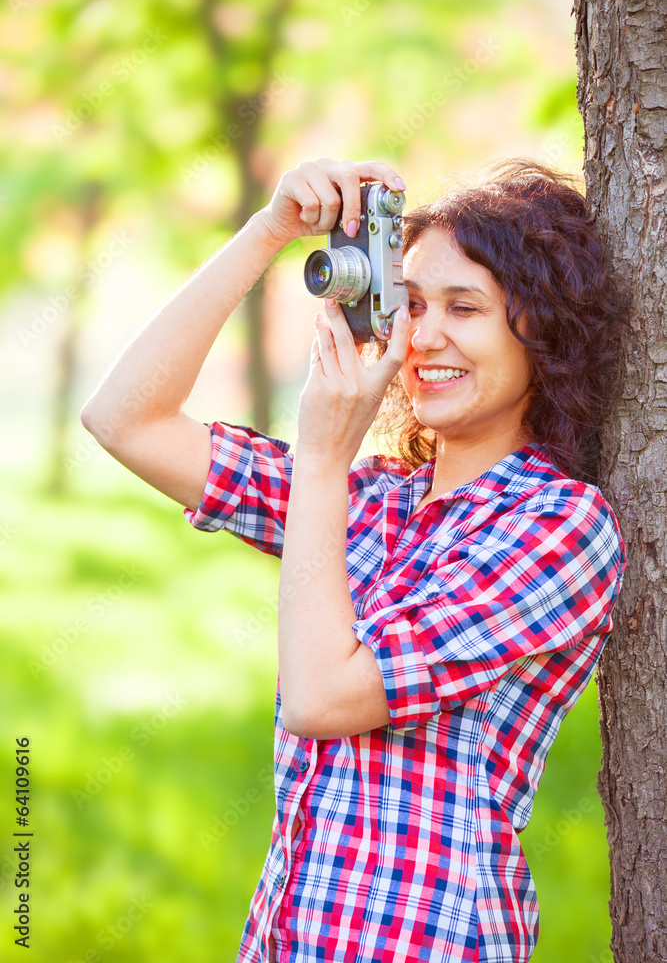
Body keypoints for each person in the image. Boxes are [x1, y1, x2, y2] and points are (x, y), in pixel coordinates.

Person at [81, 157, 628, 963]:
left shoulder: (559, 528)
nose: (424, 335)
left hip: (427, 941)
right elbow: (124, 419)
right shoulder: (368, 499)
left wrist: (319, 460)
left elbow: (324, 698)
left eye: (464, 307)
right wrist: (268, 232)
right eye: (407, 304)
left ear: (542, 331)